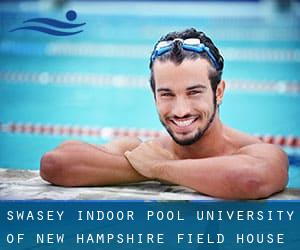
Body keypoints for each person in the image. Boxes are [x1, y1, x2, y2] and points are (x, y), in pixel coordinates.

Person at [40, 28, 288, 199]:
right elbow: (56, 164)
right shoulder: (142, 149)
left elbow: (249, 180)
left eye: (194, 93)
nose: (180, 111)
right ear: (154, 95)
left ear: (219, 91)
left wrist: (161, 168)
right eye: (167, 94)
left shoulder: (255, 151)